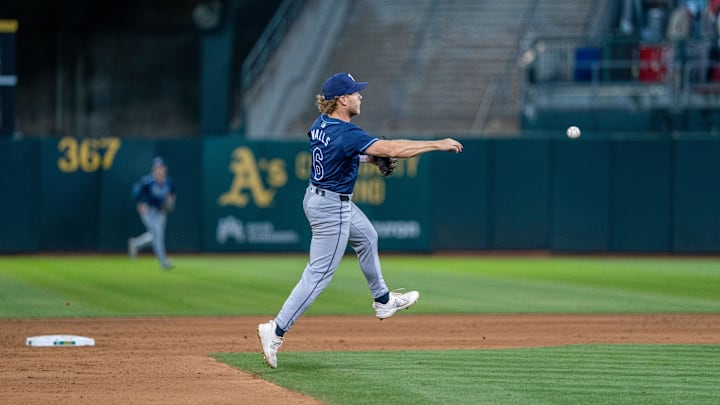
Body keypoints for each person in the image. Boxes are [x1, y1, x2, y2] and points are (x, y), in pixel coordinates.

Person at [257, 72, 463, 369]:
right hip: (333, 208)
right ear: (342, 100)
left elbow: (337, 153)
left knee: (367, 237)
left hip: (317, 197)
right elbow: (392, 149)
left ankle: (383, 300)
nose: (360, 96)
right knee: (318, 276)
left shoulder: (321, 124)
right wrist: (436, 143)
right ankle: (275, 331)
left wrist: (368, 159)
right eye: (355, 93)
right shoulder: (347, 132)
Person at [128, 157, 176, 270]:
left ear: (165, 169)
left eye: (161, 168)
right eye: (157, 168)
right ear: (154, 169)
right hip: (149, 212)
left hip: (161, 213)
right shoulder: (148, 181)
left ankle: (136, 243)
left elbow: (172, 195)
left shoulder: (168, 182)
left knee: (155, 236)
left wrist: (171, 202)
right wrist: (140, 204)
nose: (159, 170)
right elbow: (136, 192)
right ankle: (163, 262)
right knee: (157, 235)